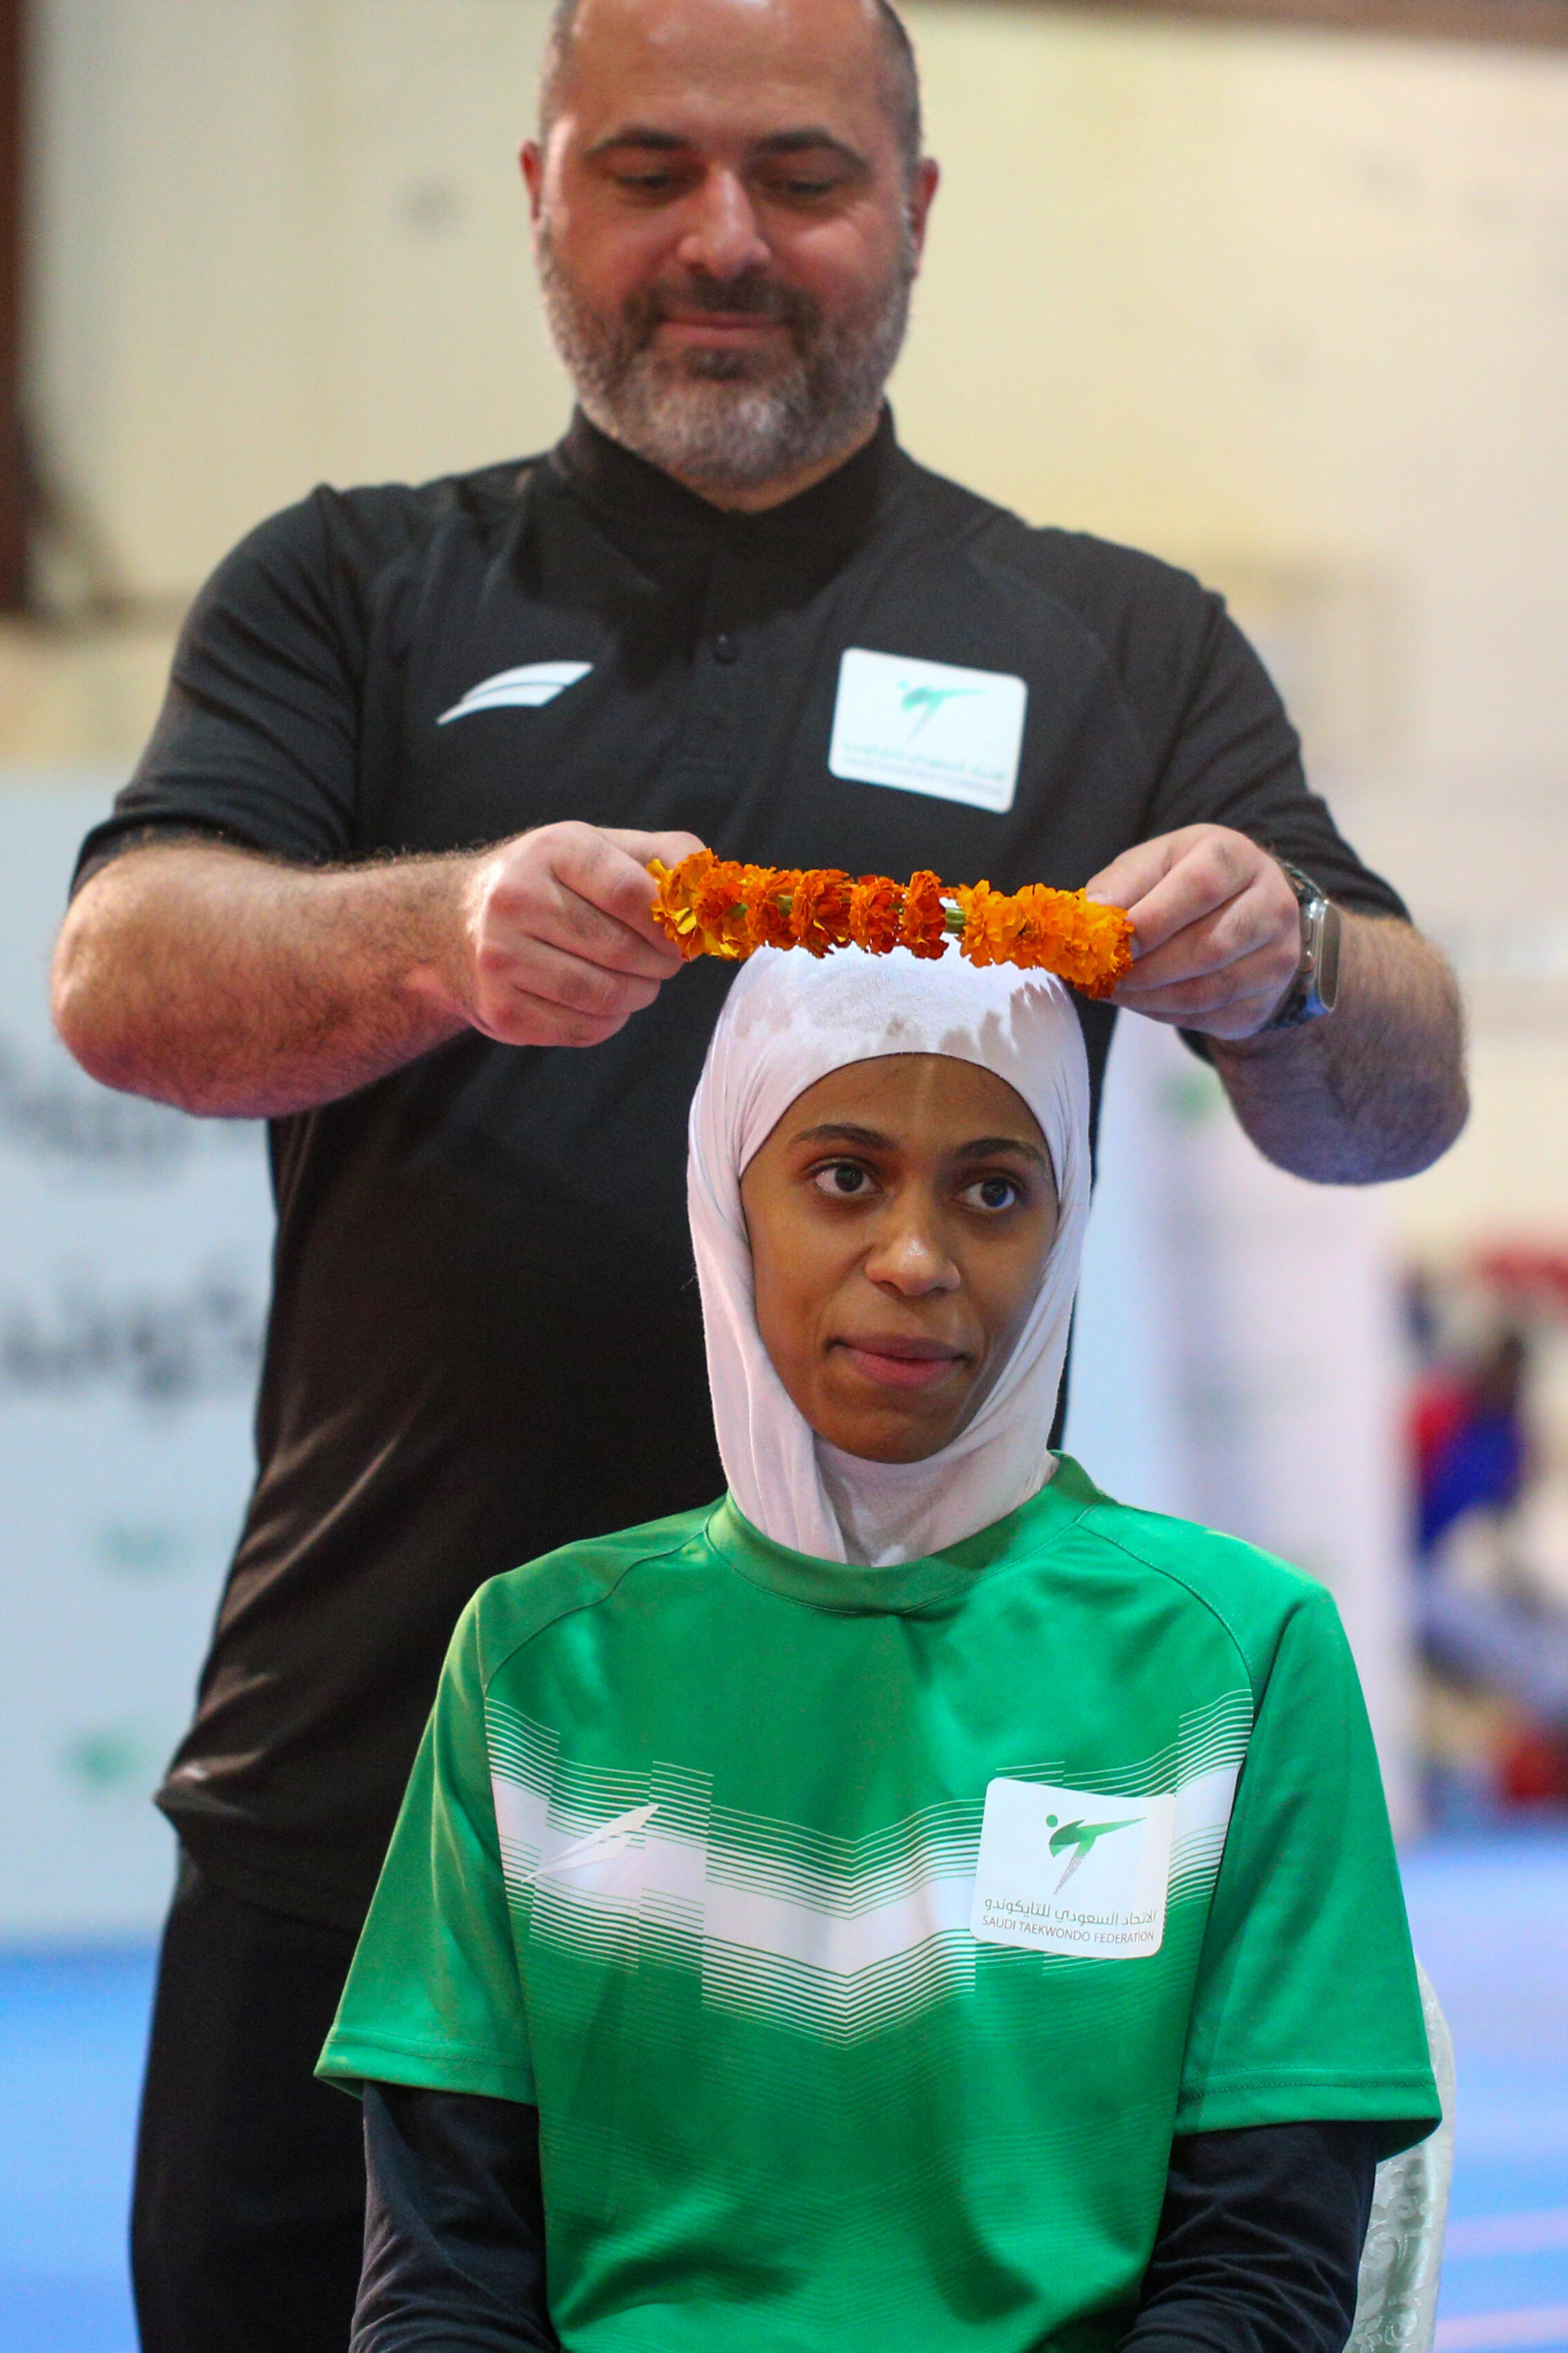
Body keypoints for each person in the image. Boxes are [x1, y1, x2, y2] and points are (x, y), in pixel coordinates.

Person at [47, 0, 1464, 2343]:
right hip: (383, 1769)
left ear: (911, 212)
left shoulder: (1110, 641)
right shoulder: (353, 587)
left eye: (799, 175)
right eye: (647, 170)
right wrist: (440, 928)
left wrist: (1285, 954)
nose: (723, 239)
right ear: (536, 193)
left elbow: (1384, 1104)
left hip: (929, 1862)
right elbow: (121, 976)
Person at [318, 941, 1441, 2353]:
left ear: (1068, 1217)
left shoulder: (1244, 1657)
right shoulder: (536, 1662)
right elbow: (443, 2285)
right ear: (731, 1204)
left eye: (992, 1190)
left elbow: (1262, 2279)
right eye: (845, 1174)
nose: (916, 1259)